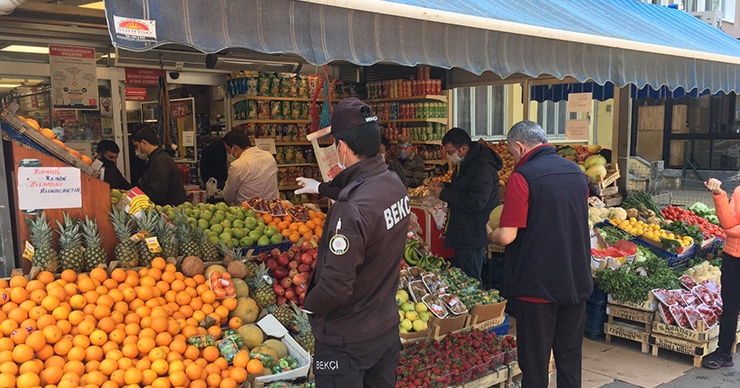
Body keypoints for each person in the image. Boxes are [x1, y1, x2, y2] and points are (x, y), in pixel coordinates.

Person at [300, 98, 409, 387]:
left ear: (342, 148)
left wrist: (309, 305)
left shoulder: (350, 208)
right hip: (384, 327)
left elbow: (335, 287)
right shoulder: (394, 183)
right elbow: (363, 197)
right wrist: (322, 188)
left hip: (346, 340)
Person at [487, 121, 592, 388]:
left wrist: (489, 232)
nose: (514, 158)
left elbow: (507, 235)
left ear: (520, 147)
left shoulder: (522, 177)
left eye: (512, 153)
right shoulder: (576, 172)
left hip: (537, 285)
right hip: (576, 280)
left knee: (534, 364)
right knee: (570, 359)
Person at [429, 127, 502, 284]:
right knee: (466, 277)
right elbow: (464, 188)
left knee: (471, 280)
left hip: (472, 232)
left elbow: (475, 201)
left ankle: (479, 308)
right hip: (466, 229)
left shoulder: (482, 167)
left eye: (450, 152)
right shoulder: (468, 162)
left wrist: (444, 194)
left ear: (462, 148)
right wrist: (445, 187)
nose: (450, 156)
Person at [702, 178, 740, 369]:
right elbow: (728, 222)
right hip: (733, 257)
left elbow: (731, 229)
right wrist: (719, 195)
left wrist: (732, 230)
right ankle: (724, 352)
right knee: (730, 307)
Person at [131, 124, 188, 206]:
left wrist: (136, 196)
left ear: (143, 143)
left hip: (170, 210)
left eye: (136, 146)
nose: (137, 150)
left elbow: (156, 194)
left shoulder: (160, 162)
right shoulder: (158, 158)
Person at [222, 130, 279, 205]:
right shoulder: (269, 157)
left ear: (234, 148)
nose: (229, 153)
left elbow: (228, 197)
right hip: (272, 208)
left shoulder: (237, 165)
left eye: (228, 150)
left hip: (248, 211)